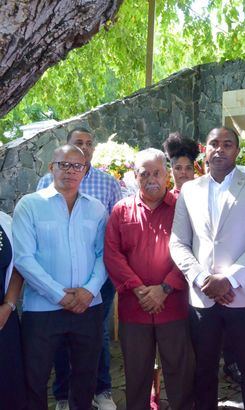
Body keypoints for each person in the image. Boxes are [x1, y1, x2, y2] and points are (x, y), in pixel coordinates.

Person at [170, 127, 245, 410]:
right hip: (202, 298)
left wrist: (230, 280)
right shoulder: (189, 190)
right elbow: (178, 241)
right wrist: (203, 278)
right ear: (205, 150)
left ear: (237, 151)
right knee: (204, 371)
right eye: (214, 144)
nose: (220, 149)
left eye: (227, 144)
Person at [14, 144, 108, 410]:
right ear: (50, 167)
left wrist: (89, 291)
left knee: (85, 379)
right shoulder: (29, 205)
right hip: (42, 310)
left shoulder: (97, 209)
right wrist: (59, 295)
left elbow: (104, 255)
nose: (70, 170)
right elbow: (24, 259)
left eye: (77, 166)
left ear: (85, 170)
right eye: (63, 164)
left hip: (88, 307)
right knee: (35, 379)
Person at [38, 127, 121, 410]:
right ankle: (63, 395)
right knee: (62, 339)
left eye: (88, 143)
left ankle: (102, 390)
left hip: (97, 282)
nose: (84, 148)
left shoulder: (108, 183)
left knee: (98, 335)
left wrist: (90, 287)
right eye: (78, 143)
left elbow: (113, 233)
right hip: (57, 284)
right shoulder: (46, 182)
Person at [104, 148, 194, 410]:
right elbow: (112, 254)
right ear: (135, 176)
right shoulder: (121, 211)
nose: (151, 178)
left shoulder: (182, 207)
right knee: (136, 375)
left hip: (174, 305)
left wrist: (165, 288)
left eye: (157, 172)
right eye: (145, 173)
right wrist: (140, 290)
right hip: (135, 309)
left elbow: (192, 249)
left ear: (167, 174)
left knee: (180, 372)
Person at [0, 211, 26, 408]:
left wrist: (8, 306)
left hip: (3, 319)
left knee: (9, 387)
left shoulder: (4, 221)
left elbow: (18, 268)